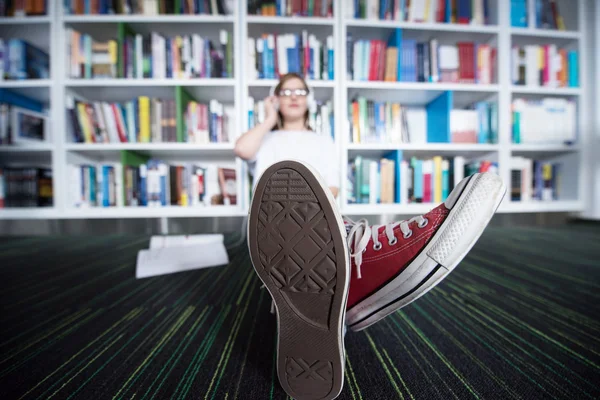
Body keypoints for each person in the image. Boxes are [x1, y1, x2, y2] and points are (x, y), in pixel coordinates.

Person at [236, 73, 507, 400]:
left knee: (324, 217)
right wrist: (268, 119)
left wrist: (315, 212)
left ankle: (342, 261)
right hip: (268, 225)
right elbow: (242, 149)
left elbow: (331, 189)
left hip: (318, 219)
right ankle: (355, 280)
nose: (293, 96)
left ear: (308, 98)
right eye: (285, 91)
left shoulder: (322, 140)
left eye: (300, 91)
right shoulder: (265, 138)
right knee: (296, 218)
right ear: (275, 98)